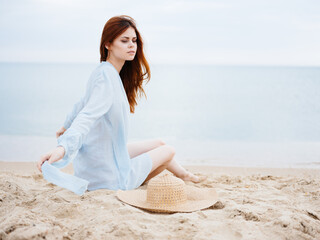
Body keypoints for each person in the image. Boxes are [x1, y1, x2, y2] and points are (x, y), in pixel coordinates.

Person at [37, 15, 205, 191]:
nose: (132, 45)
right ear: (108, 44)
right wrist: (63, 147)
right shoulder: (106, 77)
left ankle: (185, 175)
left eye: (134, 40)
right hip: (108, 179)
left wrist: (65, 126)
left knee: (160, 144)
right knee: (169, 151)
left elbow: (82, 103)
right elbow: (87, 115)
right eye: (124, 41)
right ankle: (177, 177)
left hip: (95, 165)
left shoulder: (103, 71)